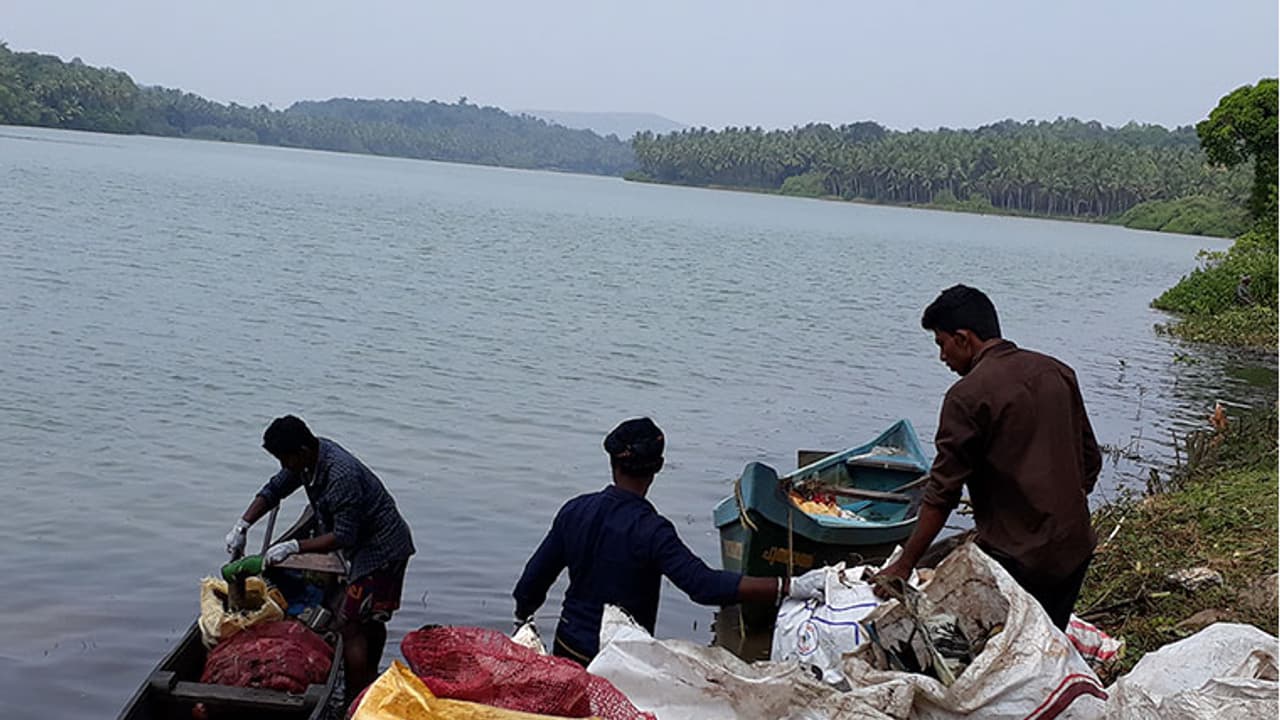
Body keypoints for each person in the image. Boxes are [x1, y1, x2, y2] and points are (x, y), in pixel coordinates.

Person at [873, 285, 1101, 630]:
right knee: (1045, 641)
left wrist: (904, 565)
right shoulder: (1057, 372)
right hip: (1074, 547)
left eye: (941, 344)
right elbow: (1091, 462)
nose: (942, 357)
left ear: (963, 338)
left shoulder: (967, 396)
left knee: (999, 650)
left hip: (1019, 560)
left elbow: (942, 495)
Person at [512, 417, 812, 665]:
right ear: (658, 467)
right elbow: (702, 585)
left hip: (568, 649)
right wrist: (787, 586)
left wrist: (523, 619)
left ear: (613, 462)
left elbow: (531, 583)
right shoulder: (652, 531)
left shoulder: (574, 511)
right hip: (621, 662)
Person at [225, 415, 415, 699]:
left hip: (382, 550)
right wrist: (243, 524)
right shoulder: (307, 460)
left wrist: (295, 547)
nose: (283, 466)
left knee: (351, 626)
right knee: (371, 619)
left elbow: (343, 536)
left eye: (285, 459)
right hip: (365, 546)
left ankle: (353, 699)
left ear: (301, 451)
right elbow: (275, 489)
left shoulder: (340, 476)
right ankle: (370, 682)